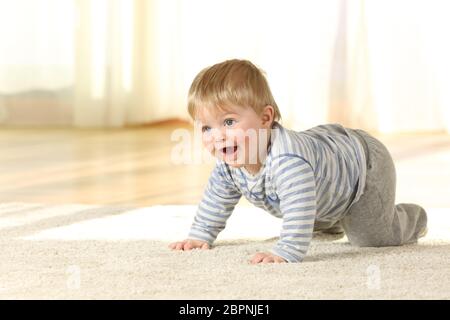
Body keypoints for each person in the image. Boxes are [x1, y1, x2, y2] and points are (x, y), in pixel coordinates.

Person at [169, 59, 428, 264]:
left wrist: (287, 250)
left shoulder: (288, 162)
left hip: (363, 166)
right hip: (326, 172)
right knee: (313, 213)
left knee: (372, 237)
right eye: (206, 129)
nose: (218, 137)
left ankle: (413, 218)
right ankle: (334, 220)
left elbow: (298, 208)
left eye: (228, 122)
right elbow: (217, 199)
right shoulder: (229, 165)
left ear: (264, 118)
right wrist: (200, 235)